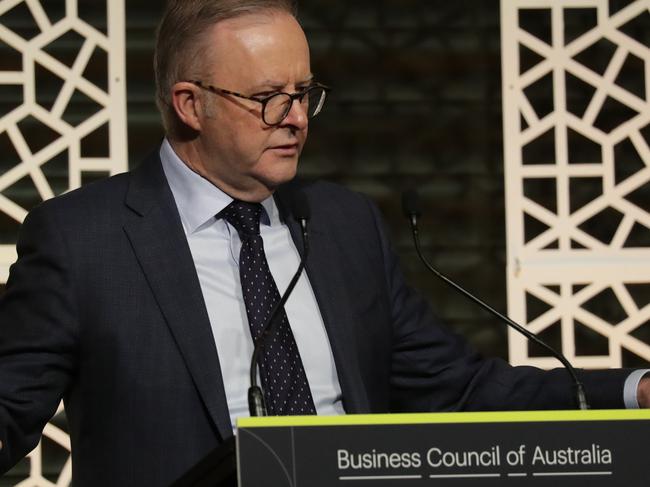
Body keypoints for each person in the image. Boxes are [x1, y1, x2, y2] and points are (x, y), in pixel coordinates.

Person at [0, 0, 648, 484]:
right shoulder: (84, 239)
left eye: (304, 93)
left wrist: (633, 391)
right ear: (189, 104)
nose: (297, 118)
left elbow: (458, 389)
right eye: (267, 98)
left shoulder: (345, 225)